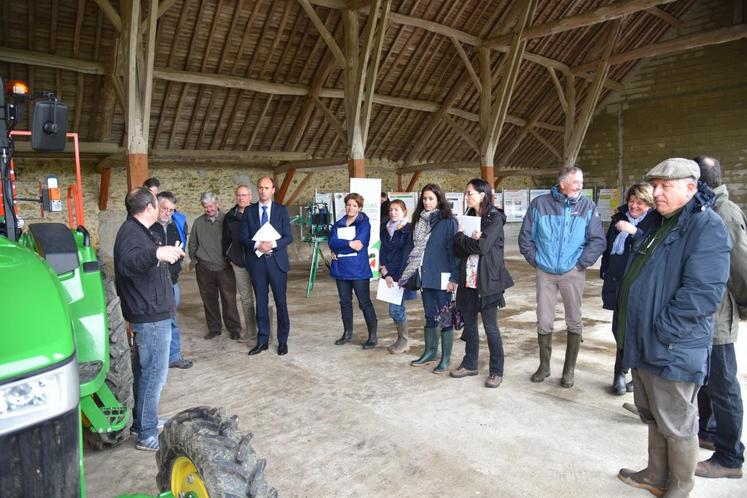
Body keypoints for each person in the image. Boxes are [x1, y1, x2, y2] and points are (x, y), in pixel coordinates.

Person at [616, 158, 730, 497]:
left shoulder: (705, 226)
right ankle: (655, 473)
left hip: (671, 345)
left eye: (666, 186)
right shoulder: (657, 223)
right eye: (655, 185)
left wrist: (664, 331)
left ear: (691, 188)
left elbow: (703, 293)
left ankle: (680, 485)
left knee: (677, 422)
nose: (657, 192)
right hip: (645, 342)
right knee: (653, 415)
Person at [518, 166, 606, 388]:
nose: (580, 185)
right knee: (544, 319)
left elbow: (598, 240)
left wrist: (581, 263)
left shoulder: (587, 206)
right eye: (576, 181)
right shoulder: (540, 204)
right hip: (545, 272)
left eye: (581, 181)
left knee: (574, 319)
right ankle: (544, 366)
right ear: (562, 183)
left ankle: (569, 370)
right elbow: (525, 236)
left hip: (572, 272)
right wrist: (536, 260)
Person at [113, 187, 184, 451]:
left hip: (151, 310)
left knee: (146, 371)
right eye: (158, 204)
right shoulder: (131, 233)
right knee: (155, 374)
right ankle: (145, 433)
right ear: (149, 207)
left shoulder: (139, 231)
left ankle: (145, 421)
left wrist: (164, 254)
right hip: (150, 315)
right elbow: (129, 263)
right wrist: (156, 254)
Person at [693, 155, 746, 479]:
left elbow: (741, 266)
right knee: (708, 380)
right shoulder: (709, 207)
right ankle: (709, 433)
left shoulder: (724, 212)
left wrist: (743, 306)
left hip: (719, 315)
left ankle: (730, 458)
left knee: (724, 385)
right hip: (707, 314)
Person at [450, 179, 514, 388]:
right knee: (469, 326)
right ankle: (470, 364)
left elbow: (484, 247)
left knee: (490, 327)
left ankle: (497, 371)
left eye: (470, 193)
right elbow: (458, 249)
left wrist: (463, 238)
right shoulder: (468, 217)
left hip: (488, 281)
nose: (467, 196)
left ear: (482, 194)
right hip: (468, 279)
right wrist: (466, 240)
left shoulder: (494, 218)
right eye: (466, 193)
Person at [600, 183, 657, 395]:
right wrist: (605, 270)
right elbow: (608, 248)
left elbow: (653, 250)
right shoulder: (618, 217)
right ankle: (620, 372)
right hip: (618, 282)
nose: (634, 206)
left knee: (638, 331)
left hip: (640, 285)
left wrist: (634, 232)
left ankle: (633, 375)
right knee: (619, 329)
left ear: (649, 204)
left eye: (640, 203)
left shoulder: (656, 221)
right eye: (632, 201)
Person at [398, 183, 458, 374]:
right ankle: (430, 352)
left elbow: (453, 252)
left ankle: (445, 358)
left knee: (445, 317)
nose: (427, 202)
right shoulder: (418, 221)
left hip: (442, 275)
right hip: (425, 275)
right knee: (430, 315)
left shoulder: (448, 222)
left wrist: (454, 278)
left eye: (431, 198)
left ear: (439, 199)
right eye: (424, 198)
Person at [240, 176, 293, 356]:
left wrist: (272, 244)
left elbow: (288, 237)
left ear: (273, 190)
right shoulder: (249, 211)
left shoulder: (281, 210)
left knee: (281, 302)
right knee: (261, 303)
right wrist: (257, 245)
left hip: (277, 262)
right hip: (257, 264)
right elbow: (243, 237)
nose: (263, 191)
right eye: (260, 187)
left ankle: (283, 341)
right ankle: (262, 340)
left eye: (266, 187)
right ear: (257, 189)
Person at [188, 192, 242, 340]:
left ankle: (234, 328)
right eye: (205, 207)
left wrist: (233, 259)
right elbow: (192, 243)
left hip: (225, 267)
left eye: (211, 205)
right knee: (209, 299)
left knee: (229, 299)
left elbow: (234, 242)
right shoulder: (198, 223)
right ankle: (214, 328)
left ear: (217, 204)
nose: (209, 209)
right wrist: (195, 260)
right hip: (204, 268)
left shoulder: (227, 220)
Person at [329, 193, 378, 349]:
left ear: (360, 208)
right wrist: (349, 243)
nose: (351, 208)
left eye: (354, 205)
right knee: (344, 302)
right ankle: (347, 333)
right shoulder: (338, 224)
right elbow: (332, 243)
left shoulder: (364, 223)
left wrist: (341, 246)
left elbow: (360, 244)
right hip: (341, 269)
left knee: (364, 302)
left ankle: (372, 336)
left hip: (358, 269)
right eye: (349, 205)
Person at [150, 191, 193, 369]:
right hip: (153, 285)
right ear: (156, 207)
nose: (168, 213)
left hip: (172, 283)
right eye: (165, 208)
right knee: (153, 324)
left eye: (172, 210)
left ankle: (173, 356)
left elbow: (181, 250)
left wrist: (177, 266)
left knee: (172, 320)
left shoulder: (177, 225)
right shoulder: (148, 227)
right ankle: (155, 361)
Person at [223, 185, 261, 344]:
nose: (241, 198)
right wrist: (229, 257)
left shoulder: (259, 212)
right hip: (239, 263)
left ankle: (265, 330)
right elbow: (225, 240)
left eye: (244, 195)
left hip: (258, 261)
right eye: (238, 195)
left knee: (263, 296)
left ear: (250, 196)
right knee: (246, 298)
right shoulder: (230, 216)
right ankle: (251, 330)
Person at [380, 199, 416, 354]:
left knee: (395, 309)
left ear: (404, 212)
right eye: (390, 210)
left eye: (396, 209)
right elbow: (381, 249)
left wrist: (396, 277)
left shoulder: (408, 230)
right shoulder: (385, 228)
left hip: (400, 276)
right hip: (387, 273)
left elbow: (407, 255)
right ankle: (402, 339)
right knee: (394, 309)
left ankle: (404, 340)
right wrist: (383, 270)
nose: (393, 212)